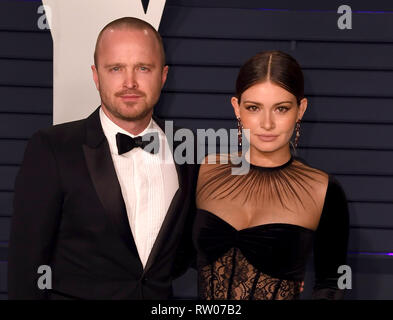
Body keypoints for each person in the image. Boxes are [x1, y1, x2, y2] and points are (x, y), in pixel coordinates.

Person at [8, 17, 197, 299]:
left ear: (163, 75)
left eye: (143, 68)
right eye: (116, 68)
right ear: (96, 76)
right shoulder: (52, 148)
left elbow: (183, 255)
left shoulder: (186, 148)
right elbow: (26, 268)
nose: (130, 82)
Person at [192, 51, 350, 300]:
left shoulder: (323, 190)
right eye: (254, 108)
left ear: (301, 109)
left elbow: (331, 284)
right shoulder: (205, 170)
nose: (267, 123)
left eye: (281, 108)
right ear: (237, 108)